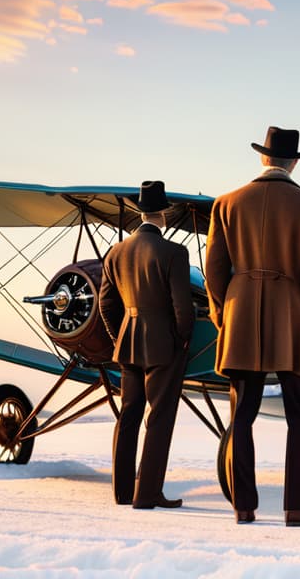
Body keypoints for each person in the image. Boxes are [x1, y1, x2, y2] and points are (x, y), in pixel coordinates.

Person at [205, 126, 300, 527]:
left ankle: (244, 505)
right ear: (293, 162)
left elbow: (214, 271)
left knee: (242, 413)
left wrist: (222, 314)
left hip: (239, 312)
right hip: (292, 314)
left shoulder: (225, 204)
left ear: (263, 158)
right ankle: (297, 507)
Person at [98, 180, 194, 509]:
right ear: (164, 213)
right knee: (160, 417)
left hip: (127, 342)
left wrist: (118, 336)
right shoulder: (174, 253)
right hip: (162, 344)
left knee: (128, 416)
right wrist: (182, 339)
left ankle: (123, 492)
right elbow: (183, 307)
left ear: (140, 212)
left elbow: (105, 305)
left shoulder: (115, 253)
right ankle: (148, 492)